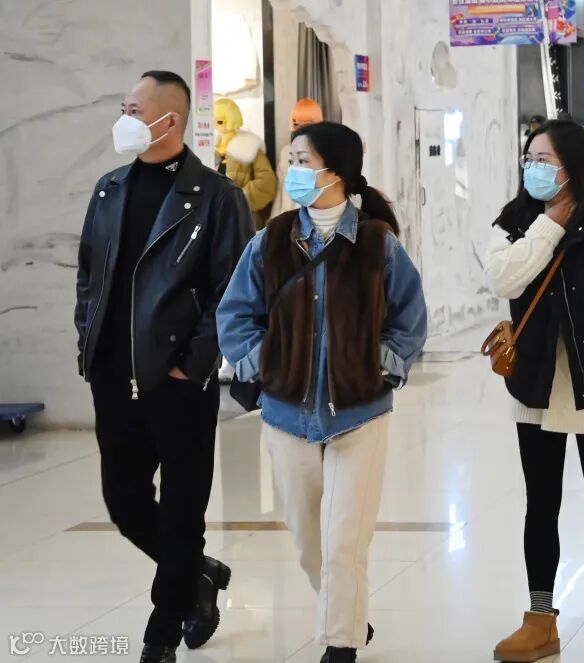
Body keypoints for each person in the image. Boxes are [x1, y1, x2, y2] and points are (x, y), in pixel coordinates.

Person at [216, 121, 427, 663]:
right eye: (291, 160)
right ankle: (347, 611)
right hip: (287, 410)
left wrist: (380, 368)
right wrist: (261, 364)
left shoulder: (378, 244)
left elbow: (409, 319)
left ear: (337, 172)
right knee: (309, 541)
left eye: (303, 161)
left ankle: (339, 642)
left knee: (343, 540)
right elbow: (235, 312)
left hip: (360, 412)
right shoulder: (271, 240)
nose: (294, 171)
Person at [75, 71, 252, 663]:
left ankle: (162, 632)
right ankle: (196, 575)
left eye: (133, 108)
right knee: (124, 502)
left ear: (168, 120)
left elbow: (234, 290)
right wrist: (88, 341)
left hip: (178, 381)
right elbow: (89, 277)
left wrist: (192, 363)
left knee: (181, 514)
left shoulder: (217, 197)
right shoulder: (109, 189)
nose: (123, 117)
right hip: (112, 376)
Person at [485, 120, 584, 663]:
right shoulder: (515, 219)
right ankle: (540, 617)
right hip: (536, 377)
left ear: (574, 164)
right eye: (529, 158)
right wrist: (548, 226)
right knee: (541, 499)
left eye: (544, 159)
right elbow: (505, 280)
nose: (534, 168)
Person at [214, 97, 277, 230]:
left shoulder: (249, 145)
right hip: (217, 217)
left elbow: (266, 182)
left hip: (244, 217)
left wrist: (239, 198)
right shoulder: (213, 147)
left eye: (220, 121)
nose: (217, 126)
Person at [273, 98, 323, 216]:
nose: (300, 129)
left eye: (307, 125)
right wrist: (274, 220)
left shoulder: (324, 154)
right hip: (287, 217)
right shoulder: (286, 152)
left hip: (314, 218)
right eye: (296, 124)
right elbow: (280, 189)